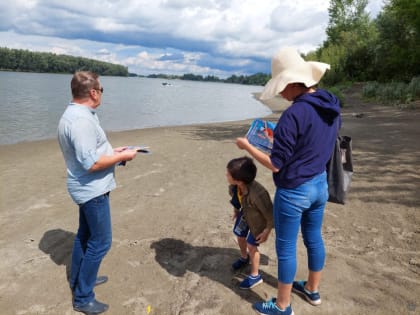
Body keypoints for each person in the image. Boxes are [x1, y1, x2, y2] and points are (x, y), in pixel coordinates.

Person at [236, 47, 341, 315]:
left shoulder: (293, 115)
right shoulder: (331, 104)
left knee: (285, 249)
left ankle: (282, 305)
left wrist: (248, 146)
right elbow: (315, 142)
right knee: (314, 239)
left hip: (294, 190)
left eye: (283, 87)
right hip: (319, 184)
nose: (281, 93)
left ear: (296, 83)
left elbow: (275, 163)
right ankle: (312, 290)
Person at [58, 71, 138, 314]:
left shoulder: (78, 114)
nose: (102, 94)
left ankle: (81, 280)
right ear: (93, 93)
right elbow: (90, 163)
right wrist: (122, 157)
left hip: (87, 186)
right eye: (102, 89)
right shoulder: (81, 120)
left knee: (85, 235)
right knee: (101, 242)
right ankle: (83, 297)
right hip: (91, 189)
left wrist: (115, 152)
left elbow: (91, 153)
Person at [226, 156, 274, 289]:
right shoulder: (235, 187)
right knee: (240, 236)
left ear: (239, 179)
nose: (226, 175)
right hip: (245, 214)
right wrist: (236, 210)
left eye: (228, 174)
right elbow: (237, 199)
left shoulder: (258, 194)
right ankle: (243, 257)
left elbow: (270, 214)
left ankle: (255, 276)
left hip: (259, 222)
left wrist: (267, 230)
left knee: (252, 246)